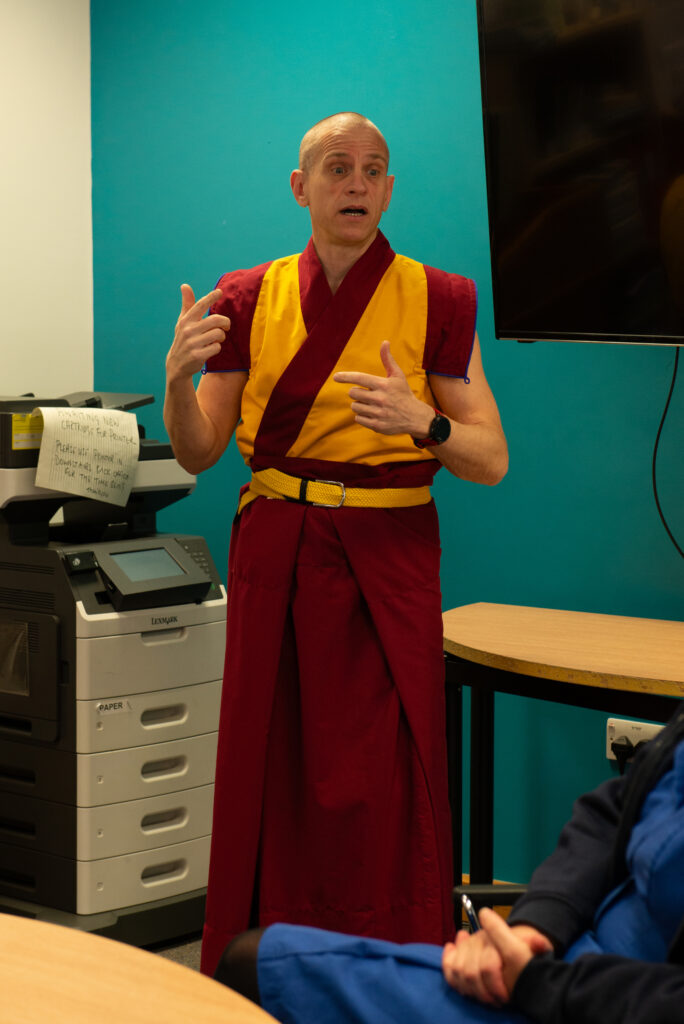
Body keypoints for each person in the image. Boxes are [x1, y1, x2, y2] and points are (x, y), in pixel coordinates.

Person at [163, 111, 508, 977]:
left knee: (384, 768)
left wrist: (420, 421)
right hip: (278, 546)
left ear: (388, 190)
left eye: (373, 170)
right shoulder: (247, 297)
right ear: (302, 186)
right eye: (337, 167)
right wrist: (177, 381)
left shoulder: (438, 298)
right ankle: (260, 957)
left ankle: (392, 963)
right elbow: (199, 449)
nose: (356, 183)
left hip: (385, 555)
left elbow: (490, 458)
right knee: (268, 758)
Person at [214, 701, 684, 1024]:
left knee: (252, 969)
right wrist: (533, 925)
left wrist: (539, 983)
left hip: (588, 999)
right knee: (250, 961)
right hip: (554, 958)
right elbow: (617, 807)